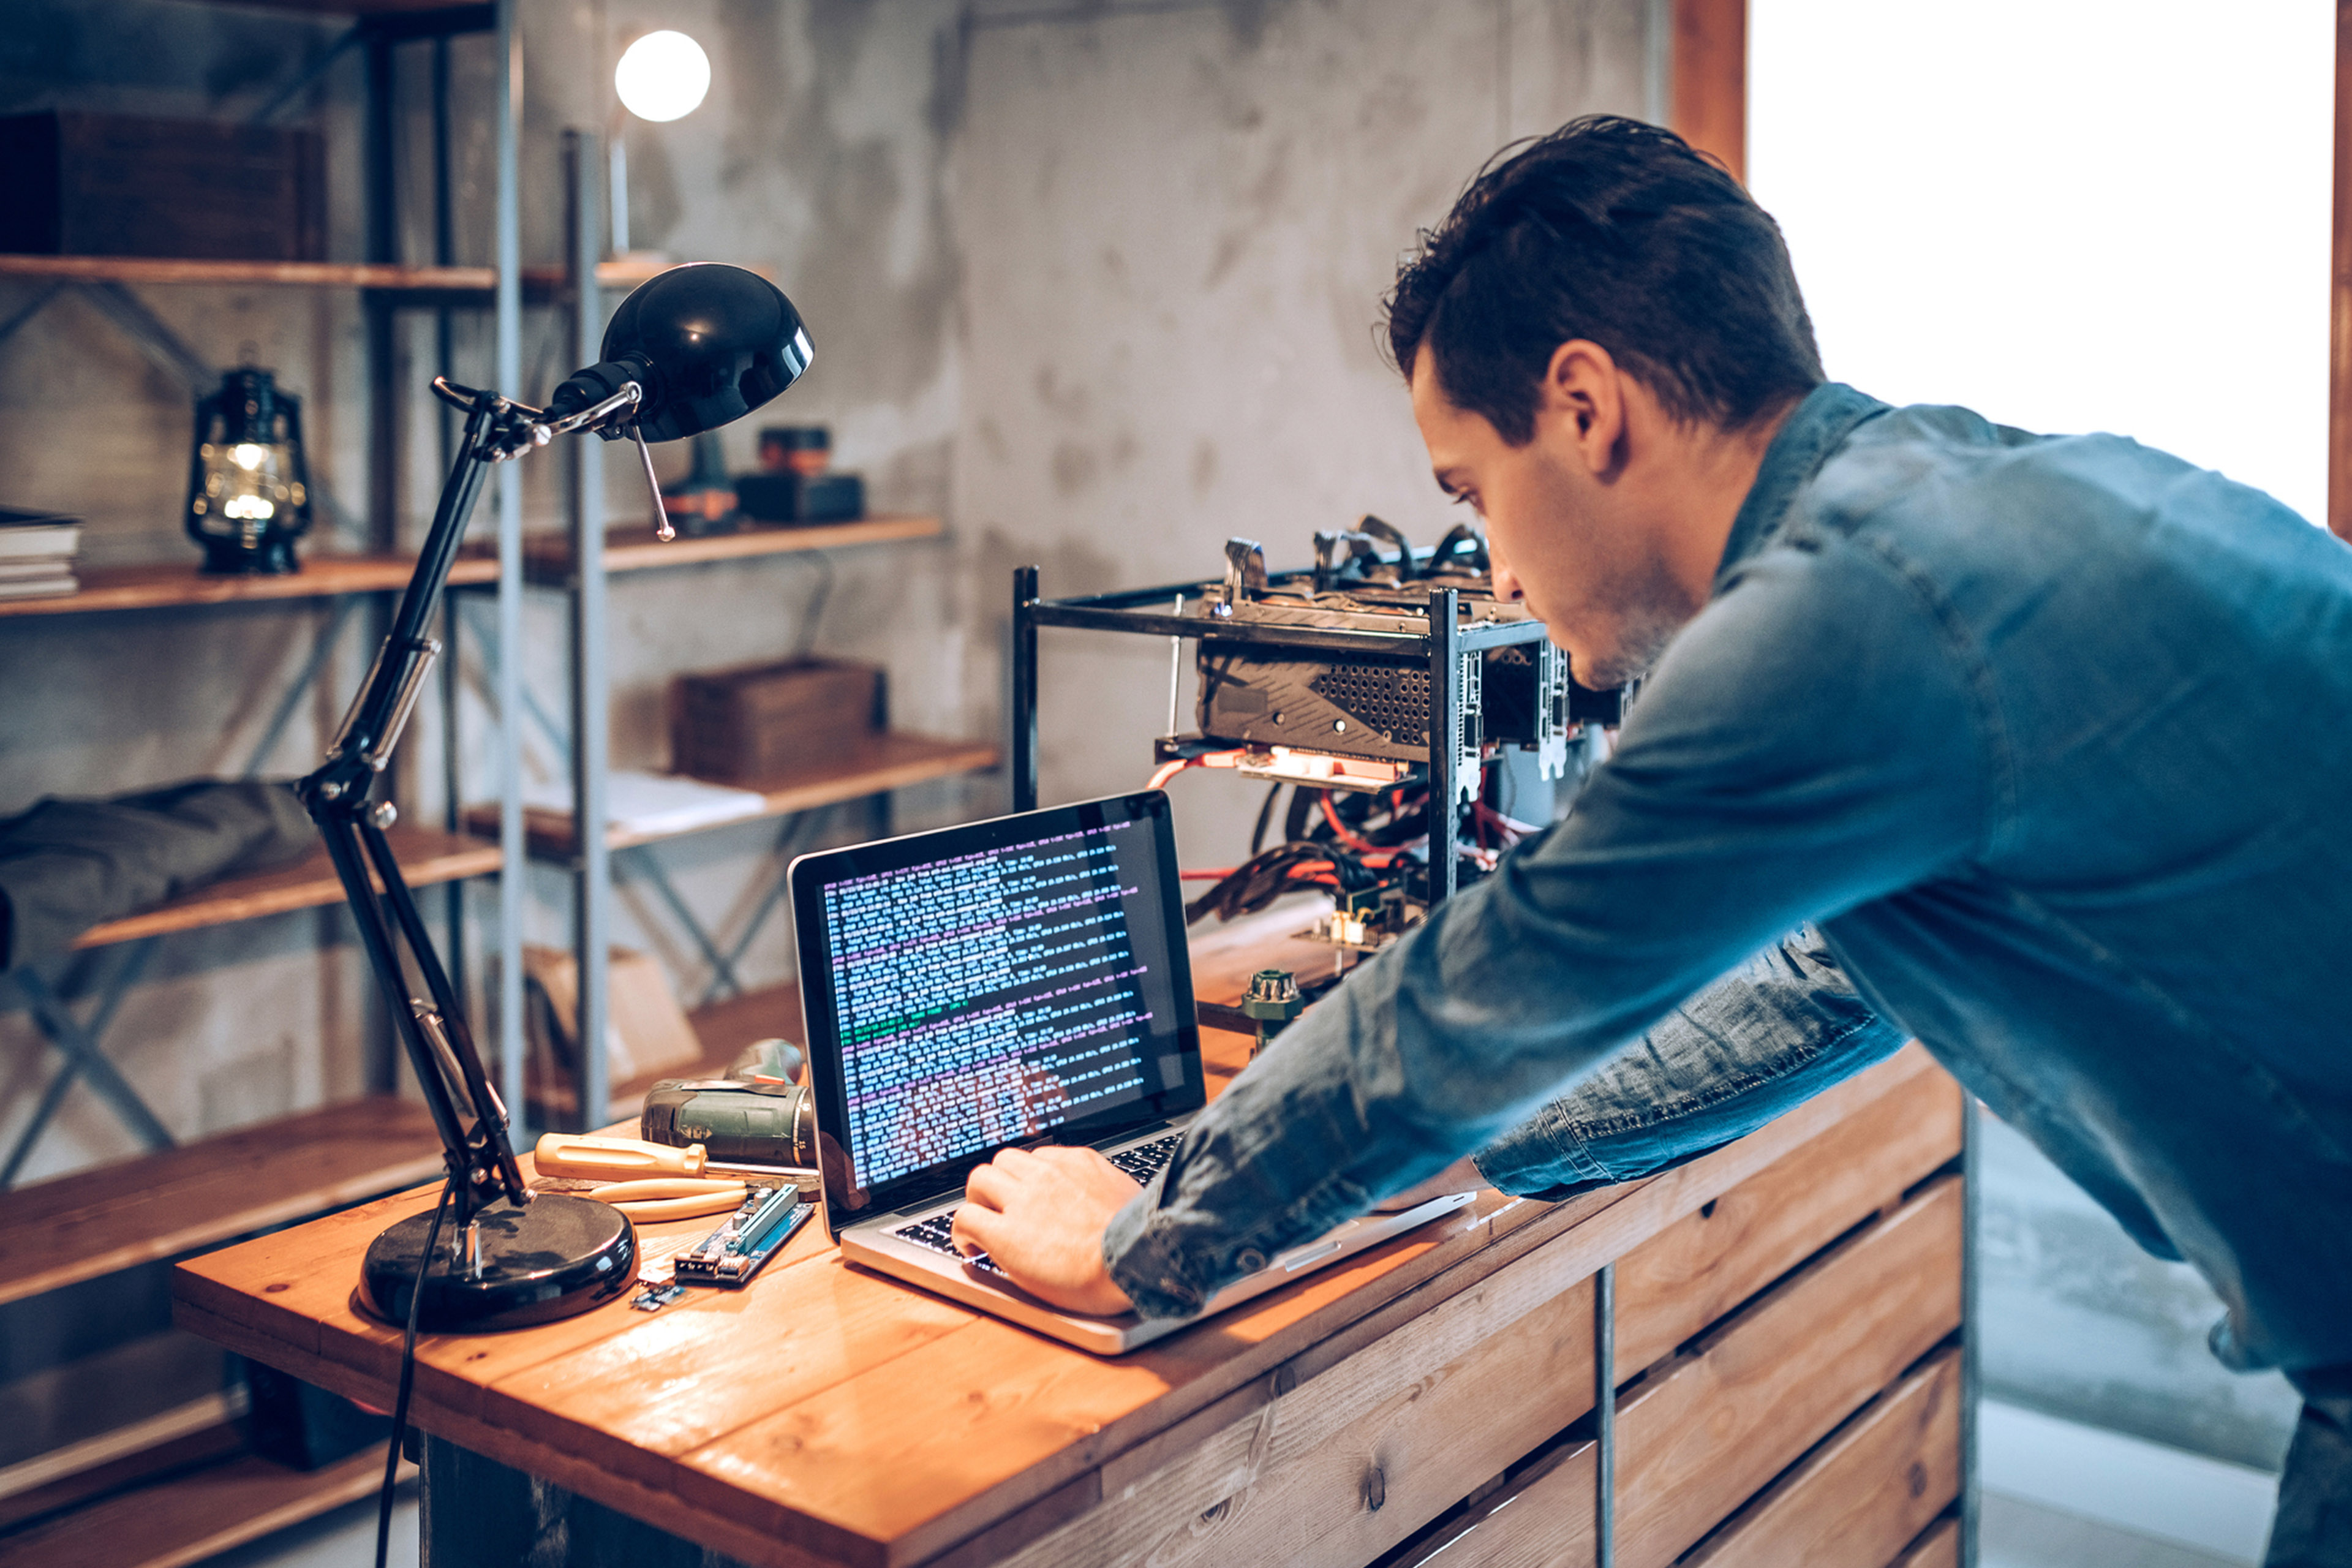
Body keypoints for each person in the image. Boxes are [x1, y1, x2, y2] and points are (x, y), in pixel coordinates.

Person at [947, 116, 2352, 1565]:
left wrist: (1143, 1245)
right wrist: (1441, 1148)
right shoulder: (1960, 496)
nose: (1489, 564)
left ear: (1583, 406)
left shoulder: (1848, 615)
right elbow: (1819, 984)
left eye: (1471, 492)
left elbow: (1486, 992)